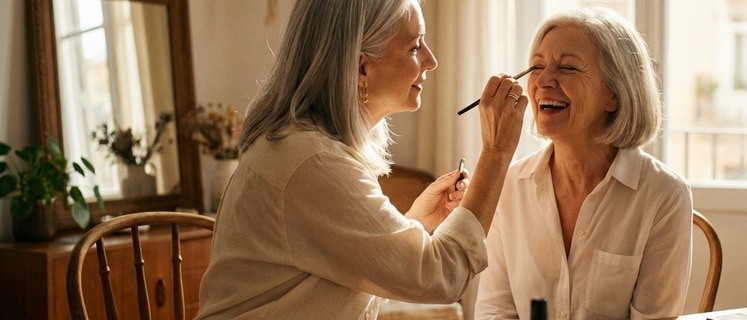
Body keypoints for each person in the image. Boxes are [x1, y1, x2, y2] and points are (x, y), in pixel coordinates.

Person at [195, 0, 529, 318]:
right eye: (415, 46)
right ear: (361, 67)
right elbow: (440, 277)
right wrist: (496, 153)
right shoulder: (312, 163)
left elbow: (344, 264)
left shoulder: (302, 147)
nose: (431, 61)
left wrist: (416, 224)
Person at [474, 7, 693, 320]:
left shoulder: (665, 195)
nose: (544, 80)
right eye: (537, 65)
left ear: (614, 95)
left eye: (568, 68)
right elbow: (494, 311)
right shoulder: (508, 185)